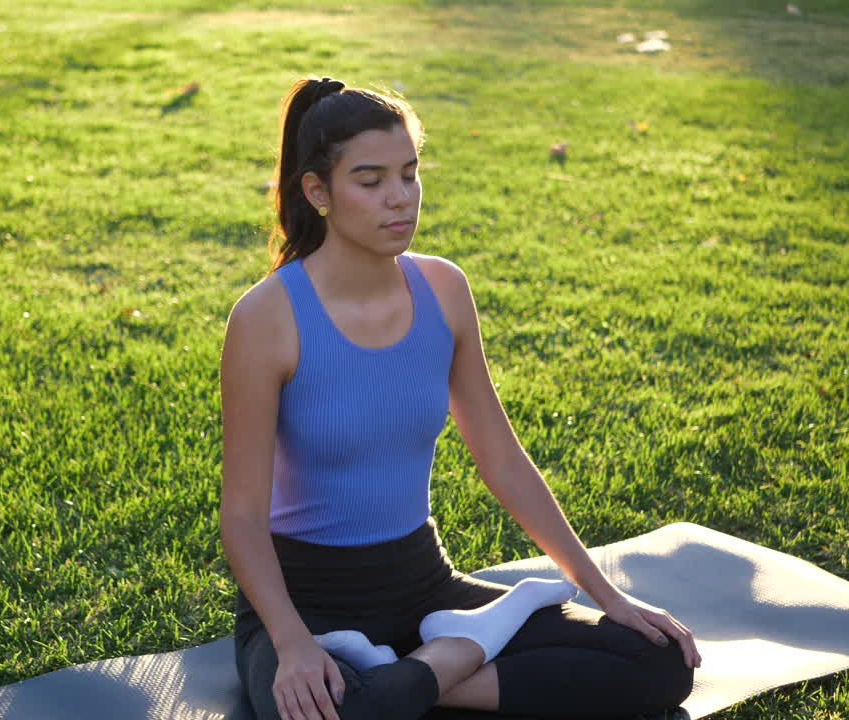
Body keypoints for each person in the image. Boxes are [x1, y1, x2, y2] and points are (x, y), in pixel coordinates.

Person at [218, 76, 700, 720]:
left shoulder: (443, 289)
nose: (401, 199)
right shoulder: (267, 317)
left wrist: (605, 593)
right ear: (318, 191)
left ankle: (425, 663)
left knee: (660, 661)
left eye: (410, 174)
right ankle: (453, 652)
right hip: (308, 601)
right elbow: (244, 515)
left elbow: (501, 458)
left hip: (421, 585)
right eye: (371, 180)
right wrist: (292, 642)